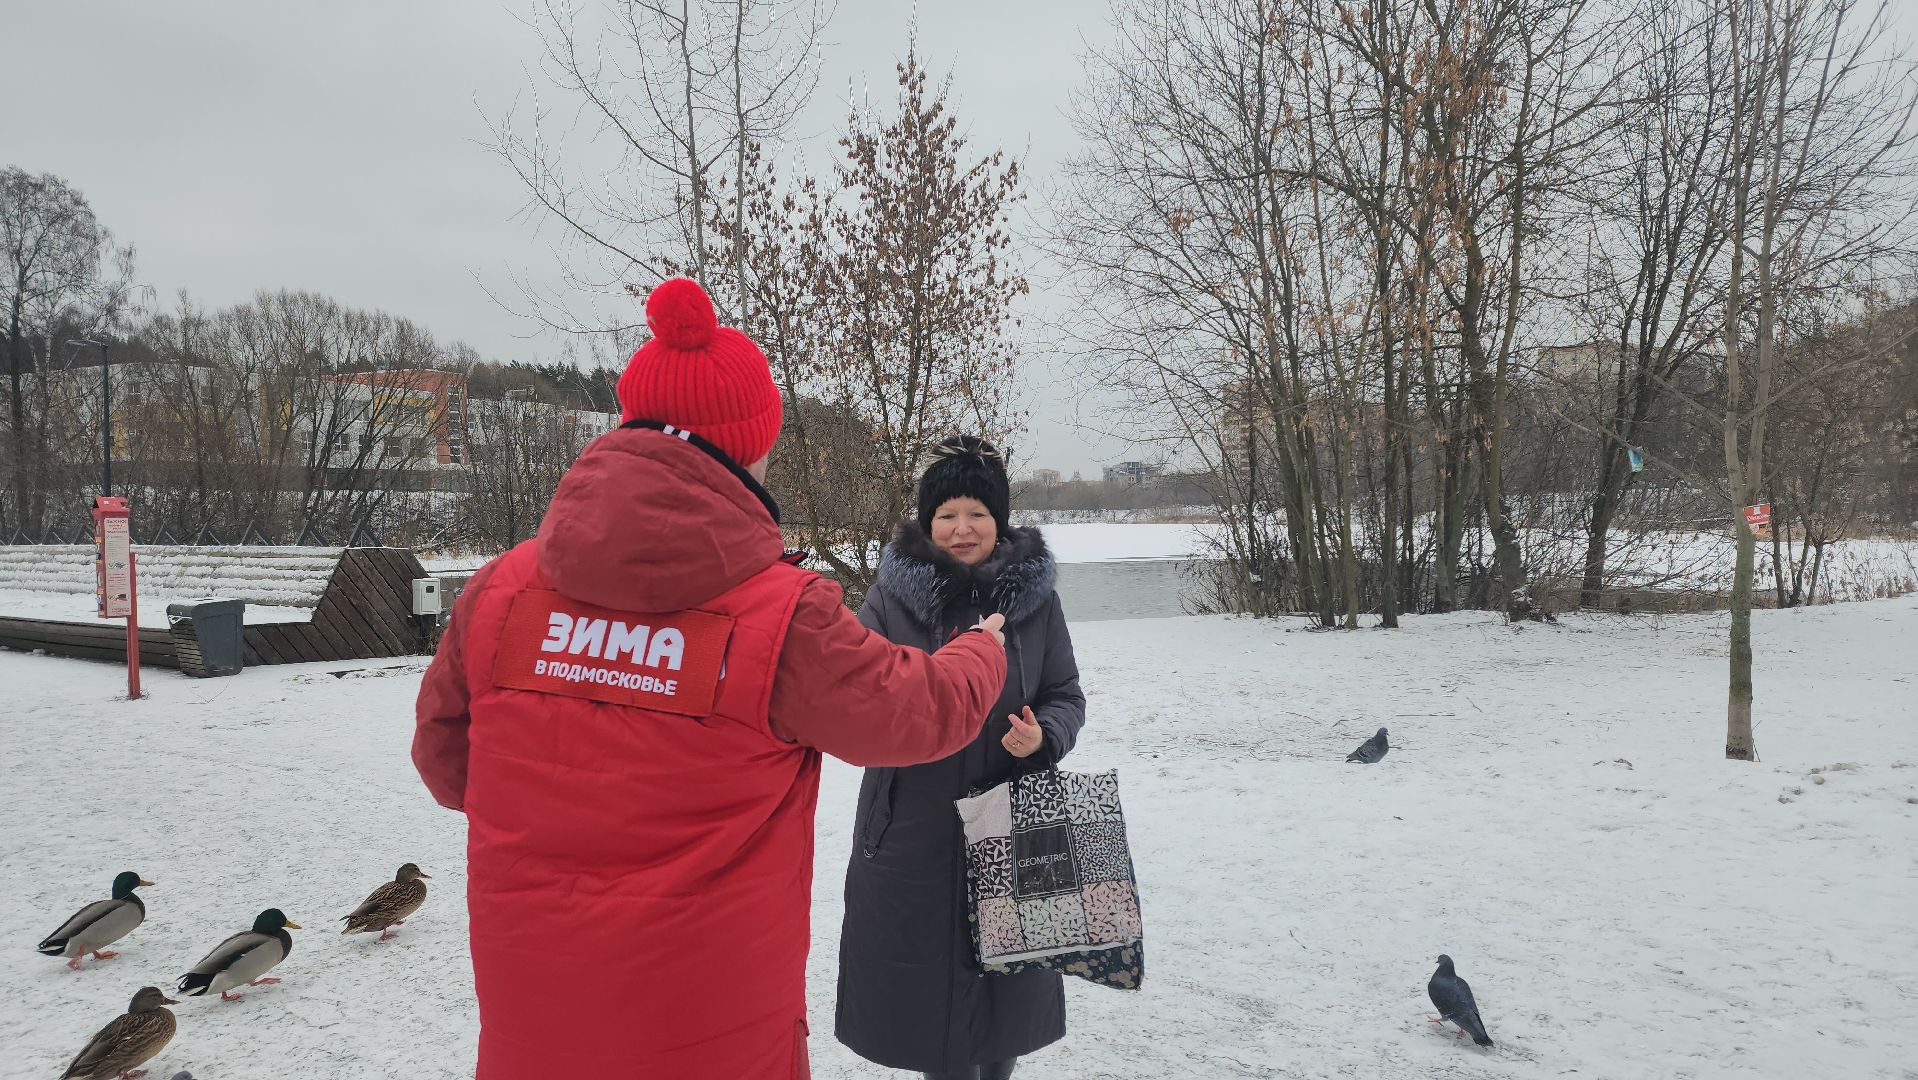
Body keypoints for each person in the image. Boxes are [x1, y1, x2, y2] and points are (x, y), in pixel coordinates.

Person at [412, 278, 1010, 1080]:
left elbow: (449, 767)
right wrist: (982, 647)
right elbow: (916, 714)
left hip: (536, 1016)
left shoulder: (501, 590)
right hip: (714, 1027)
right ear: (749, 444)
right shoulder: (780, 617)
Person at [835, 436, 1087, 1080]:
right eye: (947, 514)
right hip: (912, 828)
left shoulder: (1035, 600)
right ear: (927, 522)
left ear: (998, 519)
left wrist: (1045, 737)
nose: (962, 528)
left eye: (976, 512)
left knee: (1006, 1002)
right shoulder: (891, 601)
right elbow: (859, 692)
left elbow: (1064, 694)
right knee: (932, 1009)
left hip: (1014, 820)